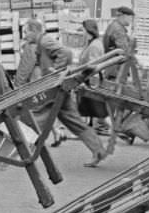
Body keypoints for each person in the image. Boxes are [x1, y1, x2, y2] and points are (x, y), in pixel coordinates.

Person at [17, 19, 108, 168]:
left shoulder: (45, 41)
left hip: (55, 88)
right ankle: (98, 150)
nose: (25, 36)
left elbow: (66, 52)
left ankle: (22, 146)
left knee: (35, 115)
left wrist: (56, 71)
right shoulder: (41, 42)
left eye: (27, 32)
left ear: (34, 31)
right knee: (74, 121)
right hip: (58, 88)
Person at [78, 19, 109, 135]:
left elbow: (93, 66)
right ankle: (92, 127)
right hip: (88, 80)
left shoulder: (94, 46)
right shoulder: (91, 43)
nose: (81, 33)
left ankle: (108, 127)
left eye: (83, 30)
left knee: (94, 107)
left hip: (90, 81)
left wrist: (89, 83)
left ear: (88, 30)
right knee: (90, 107)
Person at [102, 6, 134, 80]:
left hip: (111, 67)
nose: (131, 20)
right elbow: (125, 50)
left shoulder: (113, 26)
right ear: (124, 16)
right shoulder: (118, 30)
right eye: (130, 18)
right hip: (116, 70)